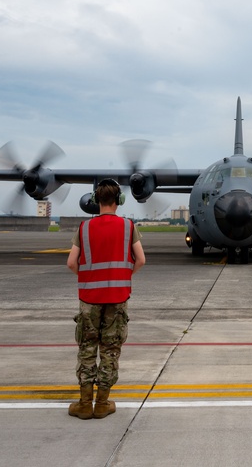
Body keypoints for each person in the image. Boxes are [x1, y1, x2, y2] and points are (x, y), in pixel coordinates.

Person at [66, 179, 145, 420]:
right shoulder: (128, 227)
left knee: (87, 349)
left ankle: (83, 404)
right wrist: (121, 276)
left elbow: (71, 263)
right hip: (117, 297)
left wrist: (90, 277)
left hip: (89, 299)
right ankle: (102, 404)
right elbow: (140, 259)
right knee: (111, 350)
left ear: (95, 201)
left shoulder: (83, 228)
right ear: (119, 201)